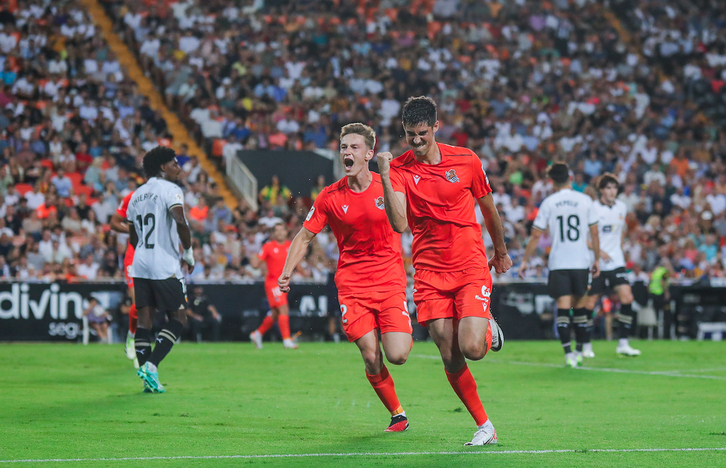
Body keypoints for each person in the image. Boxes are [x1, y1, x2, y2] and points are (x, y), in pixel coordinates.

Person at [378, 97, 512, 445]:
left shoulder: (466, 160)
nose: (417, 141)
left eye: (422, 133)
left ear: (436, 127)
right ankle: (485, 425)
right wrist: (385, 176)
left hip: (469, 265)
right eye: (410, 135)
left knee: (472, 348)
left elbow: (488, 208)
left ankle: (487, 328)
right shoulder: (401, 169)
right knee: (449, 355)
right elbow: (398, 223)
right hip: (429, 274)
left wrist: (500, 251)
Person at [279, 123, 413, 432]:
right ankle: (397, 413)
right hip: (352, 286)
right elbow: (303, 238)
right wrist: (288, 271)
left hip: (390, 280)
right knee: (370, 354)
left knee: (398, 354)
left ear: (369, 153)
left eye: (354, 147)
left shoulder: (388, 185)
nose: (347, 152)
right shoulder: (329, 197)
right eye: (343, 148)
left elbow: (402, 224)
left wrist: (388, 175)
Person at [127, 147, 195, 393]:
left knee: (144, 321)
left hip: (141, 261)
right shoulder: (171, 190)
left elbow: (133, 235)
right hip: (164, 263)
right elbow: (179, 221)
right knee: (178, 318)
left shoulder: (136, 194)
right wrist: (188, 252)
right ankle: (152, 366)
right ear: (162, 167)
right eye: (175, 164)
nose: (179, 168)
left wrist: (144, 250)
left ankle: (147, 378)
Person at [519, 162, 600, 368]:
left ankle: (568, 355)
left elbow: (536, 234)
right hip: (581, 261)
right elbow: (595, 232)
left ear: (552, 182)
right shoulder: (585, 201)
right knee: (580, 310)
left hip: (559, 263)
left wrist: (526, 261)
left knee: (563, 309)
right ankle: (580, 351)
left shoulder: (549, 202)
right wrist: (597, 258)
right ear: (570, 178)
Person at [584, 174, 641, 357]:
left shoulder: (622, 207)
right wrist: (599, 252)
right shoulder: (592, 208)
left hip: (616, 262)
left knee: (627, 298)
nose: (612, 191)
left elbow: (621, 233)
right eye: (608, 188)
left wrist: (618, 250)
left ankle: (623, 343)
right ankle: (585, 345)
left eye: (614, 188)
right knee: (590, 303)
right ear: (601, 190)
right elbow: (586, 239)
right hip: (597, 263)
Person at [249, 223, 297, 349]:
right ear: (274, 233)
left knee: (276, 313)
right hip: (273, 283)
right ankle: (286, 340)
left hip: (284, 282)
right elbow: (257, 261)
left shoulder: (289, 246)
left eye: (282, 230)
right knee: (284, 309)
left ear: (286, 232)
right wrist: (254, 262)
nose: (280, 233)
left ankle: (257, 334)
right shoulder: (268, 246)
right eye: (277, 231)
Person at [109, 189, 139, 368]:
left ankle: (136, 339)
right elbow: (114, 223)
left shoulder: (167, 196)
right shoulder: (133, 197)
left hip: (155, 257)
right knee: (139, 302)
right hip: (134, 255)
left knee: (151, 306)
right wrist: (133, 230)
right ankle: (132, 337)